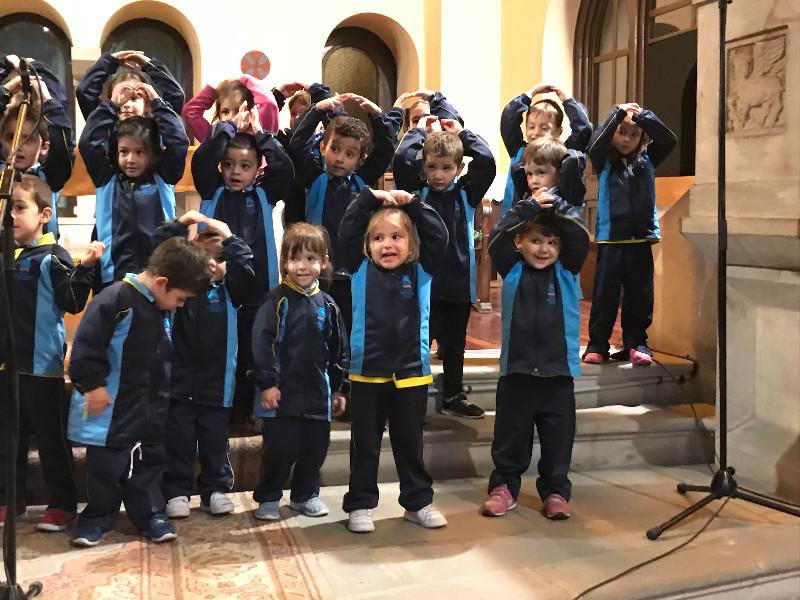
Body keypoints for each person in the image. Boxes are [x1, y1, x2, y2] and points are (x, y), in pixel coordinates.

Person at [67, 237, 211, 547]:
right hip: (112, 409)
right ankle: (97, 516)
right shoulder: (114, 299)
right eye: (181, 299)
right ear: (162, 283)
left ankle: (150, 515)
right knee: (106, 469)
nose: (180, 306)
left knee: (149, 465)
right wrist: (92, 385)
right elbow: (86, 346)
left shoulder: (158, 305)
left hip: (150, 409)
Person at [338, 186, 449, 533]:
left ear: (411, 243)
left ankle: (417, 502)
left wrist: (413, 204)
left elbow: (439, 235)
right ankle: (360, 503)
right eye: (378, 238)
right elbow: (347, 229)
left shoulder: (421, 270)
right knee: (365, 445)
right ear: (367, 246)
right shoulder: (359, 268)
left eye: (396, 237)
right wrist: (368, 199)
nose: (387, 245)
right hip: (367, 373)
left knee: (409, 445)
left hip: (411, 373)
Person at [0, 175, 103, 532]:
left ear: (44, 215)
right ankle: (10, 499)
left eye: (19, 208)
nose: (10, 215)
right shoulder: (5, 254)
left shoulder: (52, 257)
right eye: (7, 208)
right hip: (6, 365)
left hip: (41, 365)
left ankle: (62, 504)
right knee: (8, 438)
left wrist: (85, 269)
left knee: (51, 440)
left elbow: (72, 302)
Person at [482, 197, 590, 520]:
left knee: (558, 440)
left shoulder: (567, 271)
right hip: (517, 373)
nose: (544, 249)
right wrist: (528, 207)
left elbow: (580, 235)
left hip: (558, 375)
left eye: (552, 242)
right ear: (520, 242)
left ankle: (556, 491)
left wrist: (558, 205)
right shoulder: (512, 269)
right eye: (536, 241)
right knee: (510, 437)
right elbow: (497, 237)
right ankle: (504, 487)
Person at [192, 102, 294, 425]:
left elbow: (285, 170)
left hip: (257, 292)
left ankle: (250, 412)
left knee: (254, 352)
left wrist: (261, 135)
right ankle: (221, 411)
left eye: (245, 166)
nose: (235, 172)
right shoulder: (211, 191)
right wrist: (227, 127)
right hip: (215, 289)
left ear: (256, 170)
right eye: (229, 164)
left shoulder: (265, 195)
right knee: (219, 353)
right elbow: (202, 160)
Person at [393, 110, 496, 419]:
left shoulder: (466, 194)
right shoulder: (418, 192)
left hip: (457, 285)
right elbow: (401, 161)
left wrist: (462, 133)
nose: (438, 175)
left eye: (447, 168)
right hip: (423, 284)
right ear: (423, 166)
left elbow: (487, 162)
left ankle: (453, 394)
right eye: (432, 167)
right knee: (419, 341)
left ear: (459, 168)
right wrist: (417, 131)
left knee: (454, 345)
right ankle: (412, 396)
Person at [156, 212, 256, 519]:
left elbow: (247, 271)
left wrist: (229, 235)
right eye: (205, 256)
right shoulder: (181, 291)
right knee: (179, 441)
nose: (212, 263)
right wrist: (179, 226)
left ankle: (215, 489)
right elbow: (159, 253)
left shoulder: (232, 291)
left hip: (217, 384)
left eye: (219, 257)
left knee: (215, 441)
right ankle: (177, 490)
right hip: (180, 383)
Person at [250, 222, 349, 521]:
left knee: (315, 449)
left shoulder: (328, 305)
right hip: (282, 395)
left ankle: (305, 495)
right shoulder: (276, 300)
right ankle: (269, 496)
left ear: (324, 262)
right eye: (294, 259)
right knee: (279, 450)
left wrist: (340, 388)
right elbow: (262, 343)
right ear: (284, 263)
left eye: (310, 258)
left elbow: (339, 349)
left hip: (318, 394)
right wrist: (268, 383)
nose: (302, 266)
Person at [288, 91, 396, 333]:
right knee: (317, 329)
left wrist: (377, 116)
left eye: (349, 154)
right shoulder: (314, 177)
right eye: (335, 149)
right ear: (323, 147)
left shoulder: (361, 181)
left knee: (348, 328)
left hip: (353, 274)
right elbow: (297, 144)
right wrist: (317, 109)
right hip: (318, 272)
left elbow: (385, 151)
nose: (340, 159)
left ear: (360, 159)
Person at [582, 103, 676, 366]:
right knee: (605, 296)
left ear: (642, 137)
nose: (626, 139)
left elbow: (669, 139)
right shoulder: (604, 160)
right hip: (611, 240)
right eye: (621, 132)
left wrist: (643, 117)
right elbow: (594, 144)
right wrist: (617, 113)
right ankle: (598, 344)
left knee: (640, 296)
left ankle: (636, 343)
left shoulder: (648, 159)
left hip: (640, 240)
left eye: (634, 135)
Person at [79, 84, 189, 291]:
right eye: (124, 151)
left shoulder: (163, 176)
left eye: (140, 152)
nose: (130, 159)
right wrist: (111, 105)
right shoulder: (106, 178)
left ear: (153, 154)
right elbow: (88, 143)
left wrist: (157, 103)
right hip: (113, 277)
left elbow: (179, 141)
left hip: (159, 276)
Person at [1, 59, 73, 239]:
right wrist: (7, 88)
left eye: (28, 139)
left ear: (44, 146)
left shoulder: (50, 176)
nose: (18, 145)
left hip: (40, 256)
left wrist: (47, 99)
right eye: (10, 137)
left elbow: (61, 141)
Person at [500, 83, 592, 215]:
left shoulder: (563, 154)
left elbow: (584, 130)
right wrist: (530, 94)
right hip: (516, 221)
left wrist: (568, 101)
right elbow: (508, 121)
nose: (536, 133)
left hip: (555, 221)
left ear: (559, 131)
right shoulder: (520, 151)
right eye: (531, 127)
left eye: (544, 128)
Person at [76, 50, 185, 119]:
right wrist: (109, 61)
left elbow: (176, 96)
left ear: (147, 105)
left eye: (133, 98)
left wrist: (150, 65)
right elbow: (85, 92)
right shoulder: (103, 125)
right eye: (121, 97)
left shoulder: (157, 129)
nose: (126, 105)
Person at [182, 76, 280, 143]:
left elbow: (269, 103)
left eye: (238, 110)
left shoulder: (260, 135)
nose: (231, 117)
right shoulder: (216, 139)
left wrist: (245, 79)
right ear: (218, 115)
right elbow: (190, 112)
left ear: (251, 112)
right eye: (225, 112)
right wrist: (213, 90)